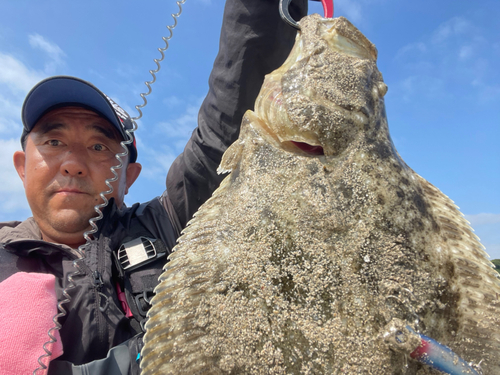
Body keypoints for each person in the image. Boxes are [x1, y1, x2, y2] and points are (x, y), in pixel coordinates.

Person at [0, 0, 308, 373]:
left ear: (129, 176)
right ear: (21, 166)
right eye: (53, 142)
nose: (73, 163)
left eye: (99, 147)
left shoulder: (167, 224)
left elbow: (226, 128)